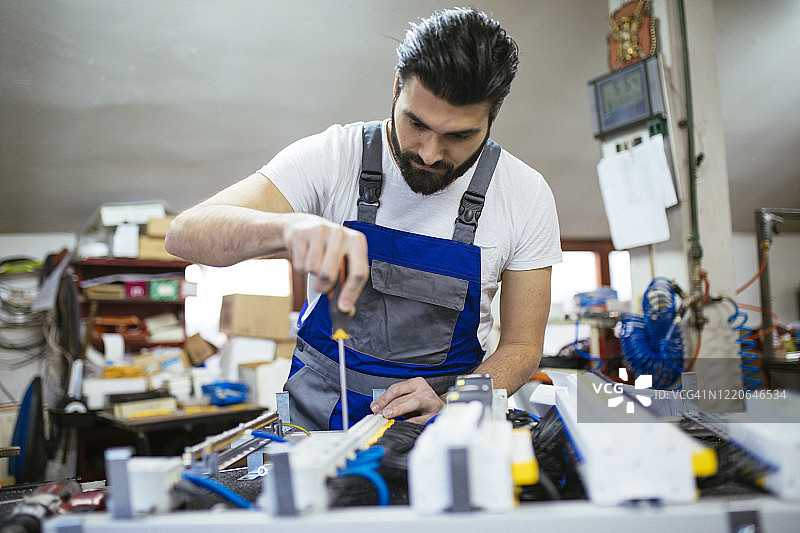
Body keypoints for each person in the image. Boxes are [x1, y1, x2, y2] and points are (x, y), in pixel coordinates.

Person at [166, 7, 562, 430]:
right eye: (416, 124)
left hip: (438, 425)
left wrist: (459, 403)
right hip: (315, 423)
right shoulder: (334, 156)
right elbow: (183, 234)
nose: (429, 152)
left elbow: (521, 344)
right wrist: (287, 227)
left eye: (459, 136)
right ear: (397, 88)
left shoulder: (525, 193)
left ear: (494, 115)